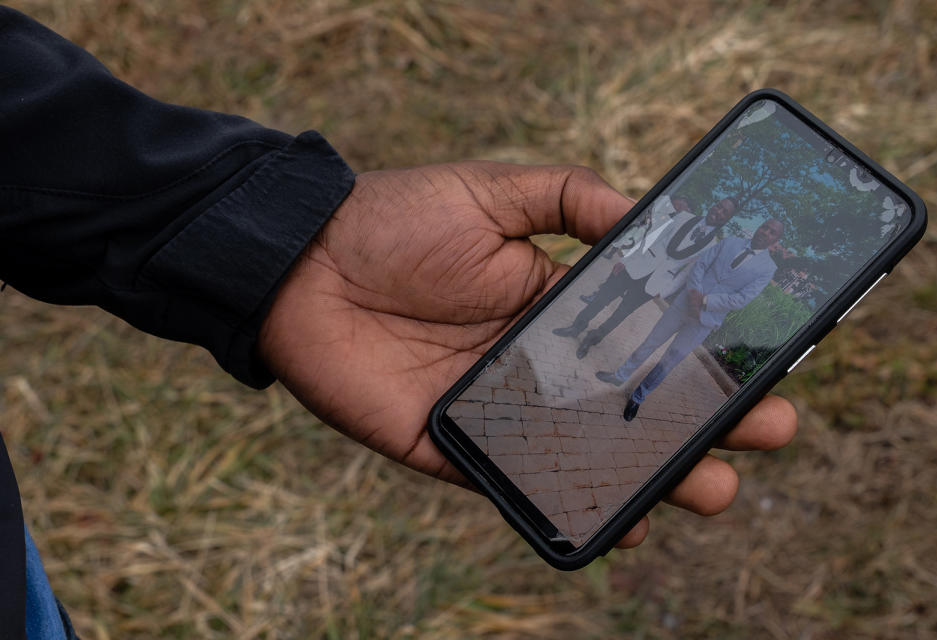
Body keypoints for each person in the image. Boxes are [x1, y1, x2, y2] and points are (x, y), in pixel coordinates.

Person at [0, 7, 798, 638]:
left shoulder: (753, 257)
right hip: (666, 288)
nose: (747, 226)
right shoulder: (727, 240)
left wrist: (274, 238)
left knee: (660, 363)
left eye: (755, 226)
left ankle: (636, 402)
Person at [597, 218, 785, 421]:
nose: (766, 232)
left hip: (706, 320)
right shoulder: (730, 241)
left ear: (776, 240)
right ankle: (620, 376)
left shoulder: (767, 268)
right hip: (684, 304)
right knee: (650, 342)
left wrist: (705, 301)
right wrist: (695, 294)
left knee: (669, 362)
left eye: (772, 232)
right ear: (759, 226)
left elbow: (742, 298)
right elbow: (700, 265)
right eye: (765, 226)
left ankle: (638, 397)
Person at [554, 194, 738, 359]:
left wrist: (665, 291)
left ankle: (591, 340)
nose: (719, 211)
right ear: (714, 205)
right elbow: (652, 235)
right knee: (603, 297)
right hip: (637, 265)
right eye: (719, 206)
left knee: (621, 314)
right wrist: (626, 259)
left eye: (724, 212)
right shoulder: (683, 217)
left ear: (727, 219)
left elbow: (688, 272)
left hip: (656, 282)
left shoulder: (712, 246)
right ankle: (576, 326)